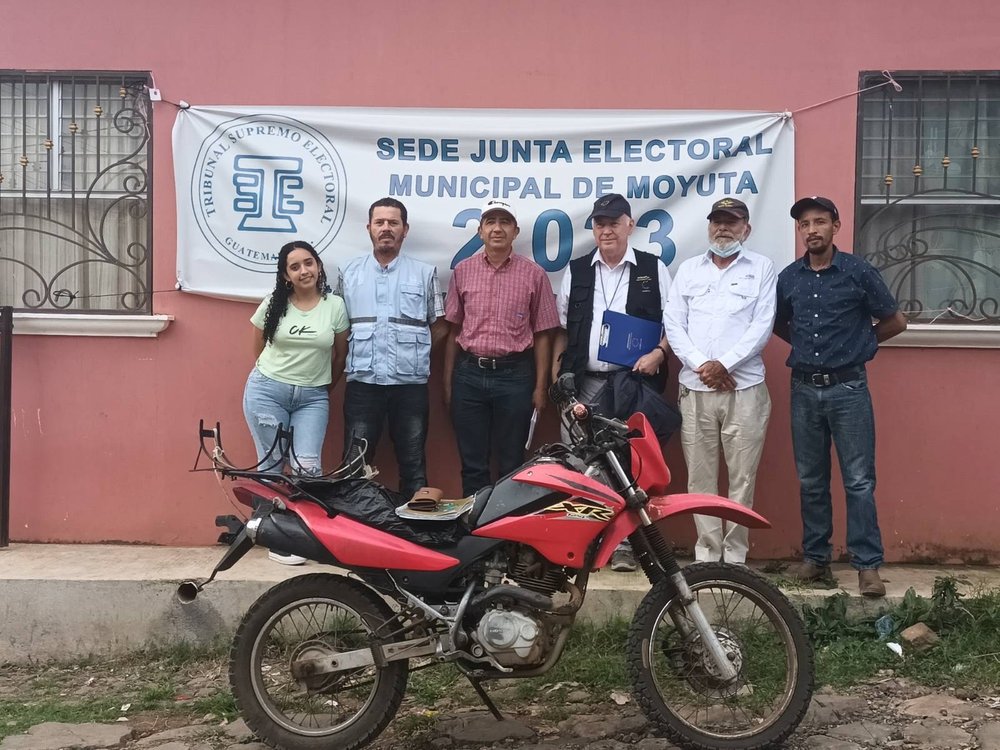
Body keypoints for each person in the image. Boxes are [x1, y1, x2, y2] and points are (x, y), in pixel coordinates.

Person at [774, 196, 907, 597]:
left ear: (836, 226)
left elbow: (895, 320)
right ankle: (817, 559)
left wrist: (859, 345)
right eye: (804, 224)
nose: (811, 230)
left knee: (859, 481)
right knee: (811, 480)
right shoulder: (789, 277)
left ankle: (868, 566)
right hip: (803, 389)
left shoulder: (858, 272)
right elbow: (779, 323)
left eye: (819, 222)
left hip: (848, 389)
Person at [552, 193, 671, 572]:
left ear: (629, 225)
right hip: (585, 384)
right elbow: (562, 328)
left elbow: (675, 324)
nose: (606, 229)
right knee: (579, 465)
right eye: (600, 223)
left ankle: (624, 547)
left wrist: (661, 353)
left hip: (632, 384)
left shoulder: (652, 268)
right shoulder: (577, 269)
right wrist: (560, 377)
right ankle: (580, 543)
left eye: (614, 222)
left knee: (628, 466)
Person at [662, 197, 776, 566]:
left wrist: (724, 364)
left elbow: (762, 325)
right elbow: (674, 323)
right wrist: (702, 366)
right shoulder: (690, 270)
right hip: (695, 391)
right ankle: (708, 556)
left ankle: (736, 556)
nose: (723, 228)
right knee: (701, 478)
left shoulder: (761, 268)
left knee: (742, 477)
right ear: (708, 226)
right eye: (717, 222)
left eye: (732, 221)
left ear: (747, 228)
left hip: (744, 390)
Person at [444, 198, 560, 497]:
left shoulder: (534, 275)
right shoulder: (463, 271)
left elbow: (544, 333)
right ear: (480, 231)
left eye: (504, 222)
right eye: (491, 222)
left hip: (516, 376)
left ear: (516, 230)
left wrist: (540, 387)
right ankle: (474, 534)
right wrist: (448, 383)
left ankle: (506, 535)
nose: (497, 228)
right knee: (473, 463)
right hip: (468, 376)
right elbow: (454, 329)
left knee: (512, 462)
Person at [244, 240, 349, 564]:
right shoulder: (274, 303)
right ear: (286, 276)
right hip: (267, 392)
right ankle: (277, 539)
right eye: (295, 266)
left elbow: (340, 355)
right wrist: (280, 378)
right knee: (272, 464)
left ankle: (305, 535)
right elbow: (258, 348)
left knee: (308, 467)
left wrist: (318, 388)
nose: (304, 270)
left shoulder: (335, 305)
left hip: (313, 398)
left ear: (318, 267)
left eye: (309, 263)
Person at [338, 198, 448, 499]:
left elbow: (438, 325)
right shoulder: (348, 273)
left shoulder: (424, 273)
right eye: (380, 222)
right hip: (363, 383)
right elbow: (338, 326)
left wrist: (417, 355)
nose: (386, 228)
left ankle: (412, 533)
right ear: (369, 228)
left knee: (413, 463)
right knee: (354, 464)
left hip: (409, 387)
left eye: (393, 223)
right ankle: (353, 530)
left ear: (405, 229)